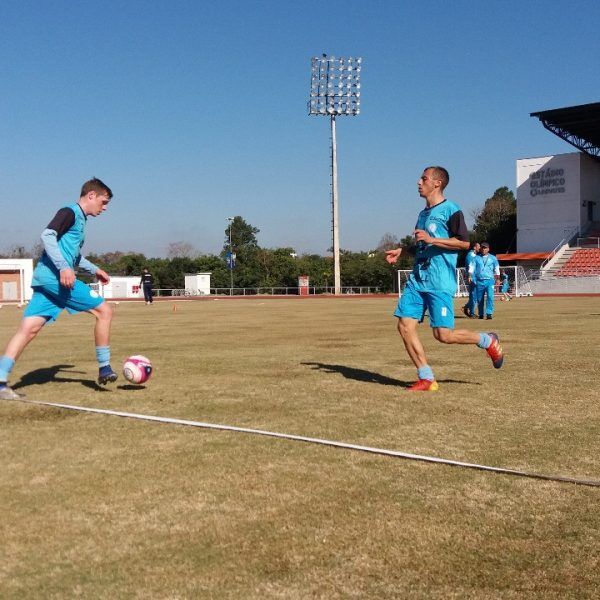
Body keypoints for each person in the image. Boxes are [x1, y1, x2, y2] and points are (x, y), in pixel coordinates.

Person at [385, 166, 504, 392]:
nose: (419, 182)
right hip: (418, 280)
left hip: (439, 282)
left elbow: (464, 243)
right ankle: (427, 377)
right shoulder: (423, 214)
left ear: (437, 183)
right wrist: (404, 251)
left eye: (424, 178)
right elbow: (423, 244)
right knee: (405, 326)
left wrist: (432, 239)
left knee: (443, 335)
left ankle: (488, 340)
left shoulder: (451, 209)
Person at [0, 178, 117, 400]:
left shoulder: (80, 220)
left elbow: (73, 254)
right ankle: (104, 368)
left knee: (29, 329)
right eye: (104, 202)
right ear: (91, 196)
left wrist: (94, 269)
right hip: (56, 278)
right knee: (105, 311)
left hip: (46, 279)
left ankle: (0, 381)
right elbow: (47, 235)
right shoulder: (70, 212)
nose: (105, 208)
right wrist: (64, 268)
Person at [469, 242, 500, 319]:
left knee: (490, 297)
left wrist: (498, 278)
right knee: (480, 299)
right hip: (479, 281)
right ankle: (481, 314)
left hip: (489, 280)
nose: (483, 249)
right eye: (482, 248)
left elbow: (496, 268)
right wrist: (470, 275)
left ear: (488, 249)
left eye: (485, 248)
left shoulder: (493, 258)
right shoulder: (476, 258)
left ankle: (489, 313)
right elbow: (472, 267)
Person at [462, 241, 480, 318]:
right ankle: (471, 313)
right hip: (472, 277)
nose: (480, 248)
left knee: (475, 295)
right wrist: (470, 277)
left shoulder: (474, 255)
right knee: (473, 295)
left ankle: (466, 307)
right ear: (474, 247)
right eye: (478, 246)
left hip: (476, 277)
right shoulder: (471, 255)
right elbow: (470, 267)